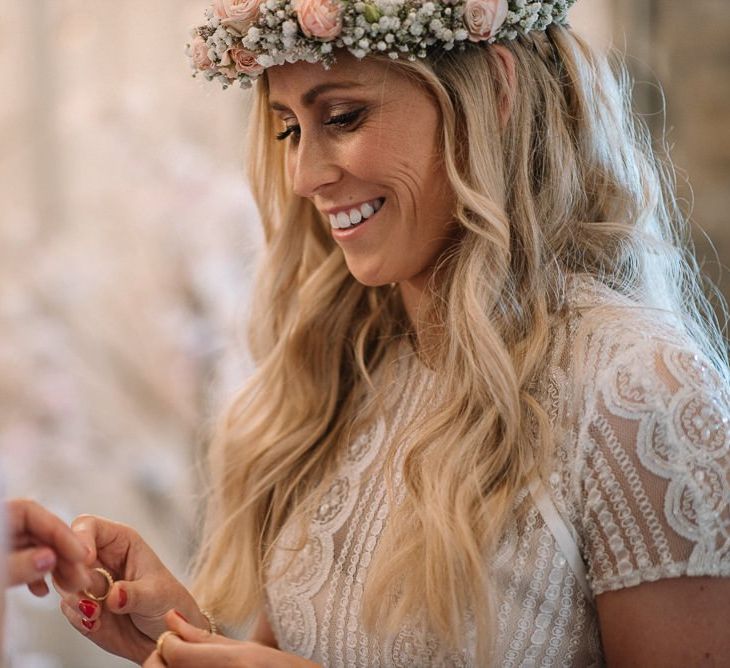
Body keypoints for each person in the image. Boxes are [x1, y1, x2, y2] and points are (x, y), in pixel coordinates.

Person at [57, 0, 730, 665]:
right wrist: (178, 635)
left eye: (343, 118)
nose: (304, 176)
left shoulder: (639, 389)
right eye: (289, 128)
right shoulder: (344, 373)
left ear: (494, 89)